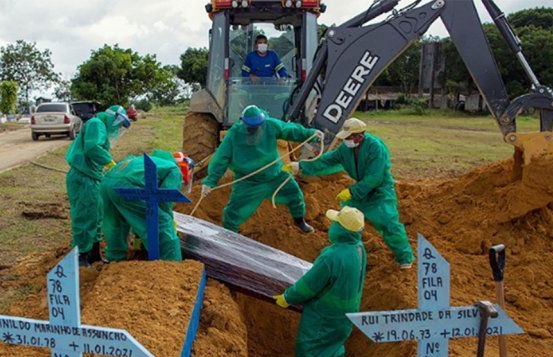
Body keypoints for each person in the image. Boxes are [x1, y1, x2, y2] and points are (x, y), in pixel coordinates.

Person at [272, 205, 367, 357]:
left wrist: (288, 297)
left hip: (323, 317)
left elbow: (309, 285)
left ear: (342, 230)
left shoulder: (332, 256)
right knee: (334, 353)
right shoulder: (359, 249)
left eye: (335, 223)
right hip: (345, 317)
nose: (332, 225)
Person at [290, 118, 415, 268]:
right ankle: (342, 250)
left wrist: (352, 191)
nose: (345, 140)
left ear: (359, 136)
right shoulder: (346, 148)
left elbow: (374, 177)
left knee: (388, 222)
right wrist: (300, 166)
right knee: (344, 218)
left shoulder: (376, 148)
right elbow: (327, 160)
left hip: (380, 191)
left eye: (348, 137)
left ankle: (404, 258)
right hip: (360, 189)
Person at [201, 105, 321, 233]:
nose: (255, 129)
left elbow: (289, 130)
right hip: (248, 181)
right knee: (233, 211)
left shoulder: (269, 125)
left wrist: (311, 134)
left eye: (258, 125)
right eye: (251, 126)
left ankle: (300, 221)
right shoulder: (233, 135)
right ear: (243, 122)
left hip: (275, 175)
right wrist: (210, 181)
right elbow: (221, 159)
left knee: (295, 194)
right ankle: (228, 235)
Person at [65, 105, 130, 268]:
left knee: (96, 216)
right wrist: (109, 162)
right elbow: (92, 147)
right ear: (113, 118)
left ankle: (94, 254)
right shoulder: (96, 124)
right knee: (84, 216)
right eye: (118, 124)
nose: (117, 129)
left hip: (92, 177)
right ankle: (80, 256)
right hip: (83, 177)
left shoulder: (99, 126)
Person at [100, 150, 185, 262]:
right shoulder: (173, 169)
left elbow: (137, 216)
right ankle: (170, 262)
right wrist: (170, 220)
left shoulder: (139, 161)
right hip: (127, 184)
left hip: (106, 183)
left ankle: (115, 259)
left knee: (115, 222)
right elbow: (165, 200)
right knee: (161, 222)